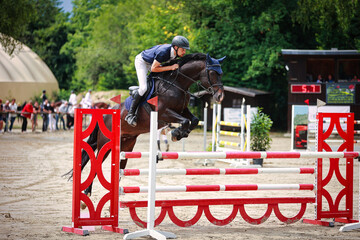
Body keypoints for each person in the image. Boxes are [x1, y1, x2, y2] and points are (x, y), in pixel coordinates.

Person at [125, 35, 190, 127]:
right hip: (142, 62)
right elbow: (153, 69)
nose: (184, 52)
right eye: (183, 49)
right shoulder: (164, 52)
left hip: (153, 63)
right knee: (143, 88)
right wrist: (171, 67)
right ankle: (130, 114)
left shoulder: (175, 54)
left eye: (185, 50)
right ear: (176, 47)